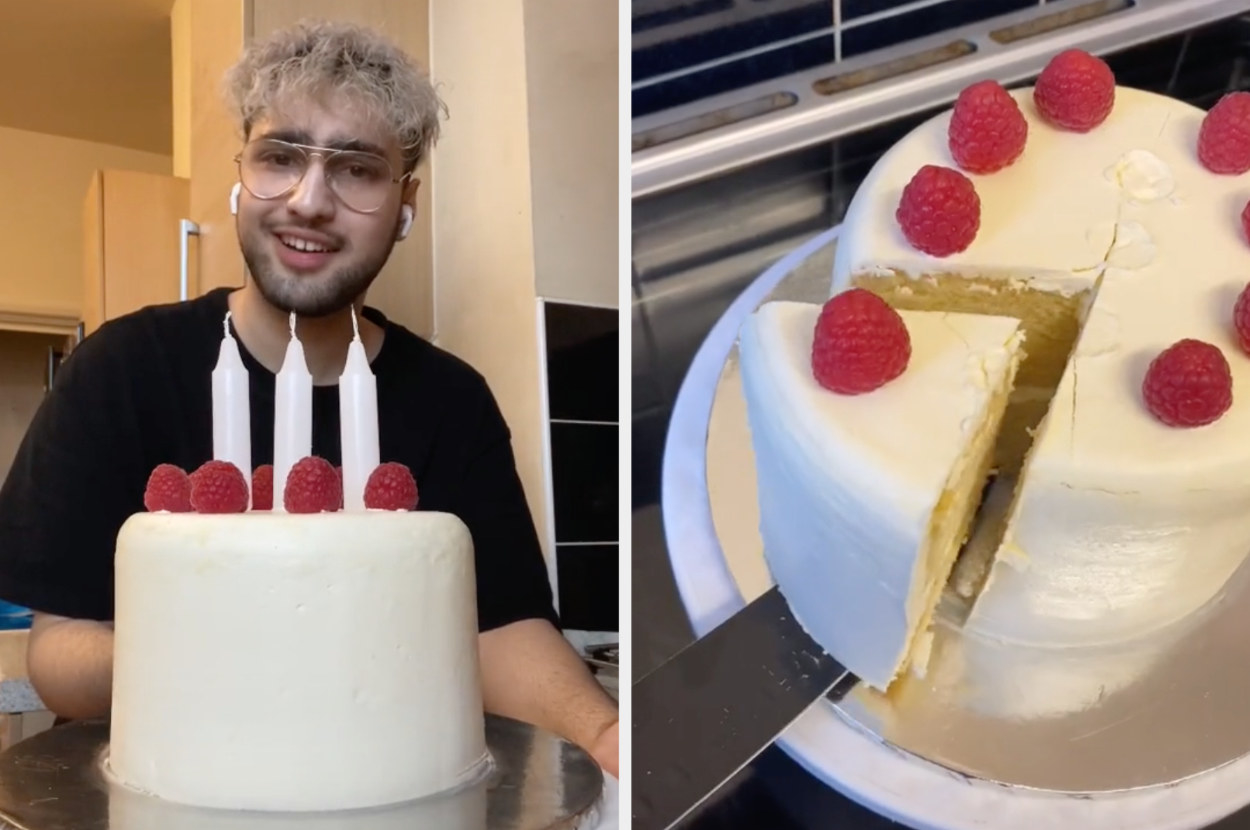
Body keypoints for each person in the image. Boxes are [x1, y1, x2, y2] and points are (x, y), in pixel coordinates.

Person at [0, 20, 618, 777]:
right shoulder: (118, 370)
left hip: (378, 786)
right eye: (280, 157)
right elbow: (60, 653)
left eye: (357, 169)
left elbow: (502, 632)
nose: (309, 200)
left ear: (405, 203)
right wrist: (244, 635)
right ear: (242, 174)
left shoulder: (452, 401)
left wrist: (606, 735)